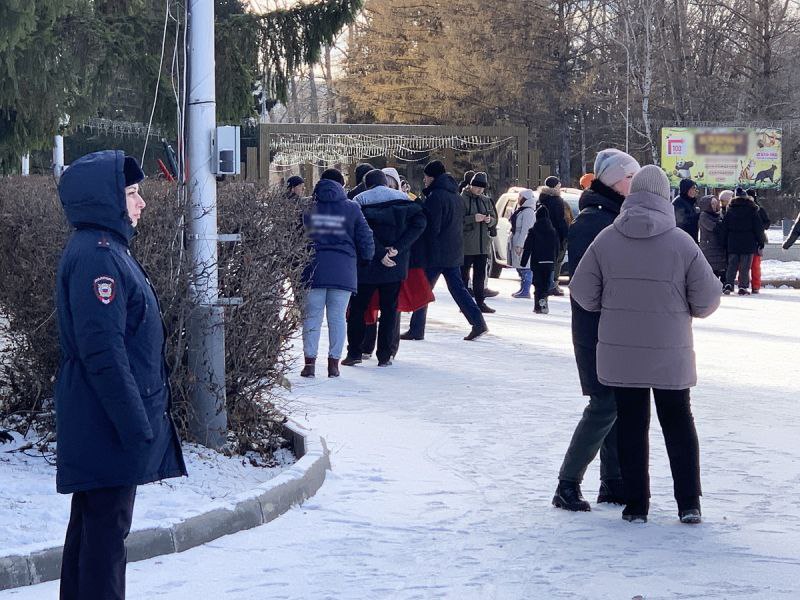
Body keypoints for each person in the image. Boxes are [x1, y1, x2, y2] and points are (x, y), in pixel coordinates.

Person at [55, 150, 187, 599]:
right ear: (107, 199)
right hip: (107, 421)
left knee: (93, 532)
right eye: (131, 193)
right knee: (106, 538)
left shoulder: (106, 250)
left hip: (104, 418)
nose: (141, 202)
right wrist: (136, 424)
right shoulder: (99, 257)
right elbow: (103, 352)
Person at [570, 165, 721, 524]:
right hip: (671, 354)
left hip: (620, 354)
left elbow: (581, 291)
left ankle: (636, 504)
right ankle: (689, 503)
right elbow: (708, 299)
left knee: (631, 425)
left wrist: (609, 306)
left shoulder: (607, 239)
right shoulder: (682, 243)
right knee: (679, 422)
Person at [553, 148, 639, 513]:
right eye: (630, 177)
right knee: (604, 404)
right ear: (613, 180)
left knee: (617, 403)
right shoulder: (593, 221)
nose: (634, 184)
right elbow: (587, 286)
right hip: (596, 330)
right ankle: (567, 484)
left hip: (610, 328)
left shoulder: (611, 215)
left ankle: (613, 481)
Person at [343, 170, 426, 367]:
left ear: (366, 184)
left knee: (358, 310)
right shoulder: (404, 199)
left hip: (367, 266)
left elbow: (360, 230)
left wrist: (380, 253)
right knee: (389, 309)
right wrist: (397, 248)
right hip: (396, 264)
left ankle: (355, 352)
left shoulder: (359, 200)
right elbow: (420, 223)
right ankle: (385, 355)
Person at [401, 160, 488, 341]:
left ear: (432, 177)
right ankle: (478, 322)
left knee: (423, 290)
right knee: (458, 289)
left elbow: (432, 227)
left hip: (436, 253)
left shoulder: (436, 197)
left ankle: (416, 329)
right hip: (453, 250)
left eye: (426, 177)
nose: (424, 180)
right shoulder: (455, 196)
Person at [300, 171, 375, 377]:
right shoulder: (352, 208)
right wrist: (365, 259)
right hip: (343, 271)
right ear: (341, 185)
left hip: (312, 269)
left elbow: (292, 236)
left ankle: (309, 364)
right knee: (338, 318)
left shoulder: (306, 207)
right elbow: (366, 237)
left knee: (312, 317)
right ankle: (333, 365)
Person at [717, 187, 767, 295]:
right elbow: (758, 228)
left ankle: (728, 284)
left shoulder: (730, 210)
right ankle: (743, 287)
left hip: (733, 242)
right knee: (745, 266)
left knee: (732, 265)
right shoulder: (752, 210)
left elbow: (724, 228)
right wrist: (761, 241)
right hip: (748, 243)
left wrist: (723, 242)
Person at [460, 171, 498, 314]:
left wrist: (490, 221)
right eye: (477, 187)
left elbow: (494, 218)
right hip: (467, 245)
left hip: (483, 245)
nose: (479, 190)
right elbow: (457, 220)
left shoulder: (486, 200)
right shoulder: (462, 199)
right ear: (471, 185)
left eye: (482, 188)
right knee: (464, 275)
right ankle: (464, 303)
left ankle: (480, 302)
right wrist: (472, 218)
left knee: (480, 275)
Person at [520, 204, 558, 314]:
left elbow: (528, 247)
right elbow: (557, 247)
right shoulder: (553, 231)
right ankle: (544, 301)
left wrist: (523, 262)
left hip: (537, 262)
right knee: (546, 284)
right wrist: (555, 260)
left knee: (538, 284)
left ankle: (537, 306)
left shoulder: (533, 231)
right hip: (549, 262)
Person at [537, 176, 569, 296]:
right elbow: (559, 219)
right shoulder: (557, 200)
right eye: (558, 185)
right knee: (556, 260)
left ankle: (546, 284)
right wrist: (566, 233)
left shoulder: (541, 199)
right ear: (555, 186)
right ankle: (552, 285)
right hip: (555, 234)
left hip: (543, 233)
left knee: (546, 260)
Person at [508, 189, 537, 298]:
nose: (518, 198)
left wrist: (520, 244)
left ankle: (526, 290)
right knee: (520, 266)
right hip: (517, 239)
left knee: (525, 266)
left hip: (523, 242)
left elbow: (526, 230)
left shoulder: (528, 212)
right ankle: (523, 288)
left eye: (520, 196)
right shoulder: (521, 210)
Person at [698, 195, 727, 283]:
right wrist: (721, 224)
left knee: (722, 269)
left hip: (719, 248)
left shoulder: (719, 214)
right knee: (712, 271)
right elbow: (713, 228)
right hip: (709, 247)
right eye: (712, 204)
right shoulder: (704, 216)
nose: (714, 206)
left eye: (716, 203)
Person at [747, 188, 771, 293]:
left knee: (755, 265)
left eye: (751, 197)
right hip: (746, 240)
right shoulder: (743, 209)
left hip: (757, 241)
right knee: (743, 266)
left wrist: (760, 227)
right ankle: (744, 284)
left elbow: (767, 223)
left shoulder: (759, 209)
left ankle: (755, 286)